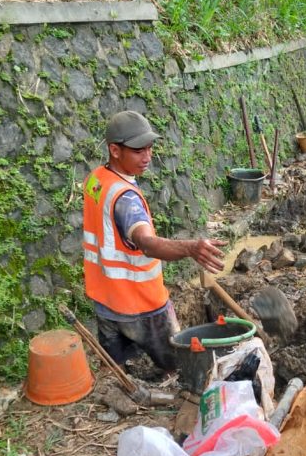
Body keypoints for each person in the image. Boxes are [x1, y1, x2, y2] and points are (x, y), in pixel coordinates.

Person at [83, 110, 225, 370]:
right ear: (115, 150)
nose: (147, 157)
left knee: (119, 373)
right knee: (180, 367)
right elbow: (146, 243)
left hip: (105, 301)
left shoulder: (96, 180)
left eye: (149, 149)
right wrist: (191, 248)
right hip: (142, 306)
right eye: (138, 151)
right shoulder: (126, 199)